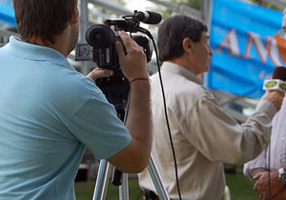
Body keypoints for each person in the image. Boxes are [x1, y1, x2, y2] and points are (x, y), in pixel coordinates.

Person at [0, 0, 152, 200]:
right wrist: (140, 79)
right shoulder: (74, 90)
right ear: (74, 15)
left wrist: (81, 92)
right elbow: (135, 160)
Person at [138, 14, 285, 200]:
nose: (211, 51)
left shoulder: (146, 85)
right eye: (206, 42)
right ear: (188, 45)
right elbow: (240, 148)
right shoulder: (192, 95)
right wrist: (268, 105)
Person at [243, 8, 286, 200]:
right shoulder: (280, 82)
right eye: (284, 30)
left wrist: (280, 178)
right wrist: (263, 177)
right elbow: (259, 137)